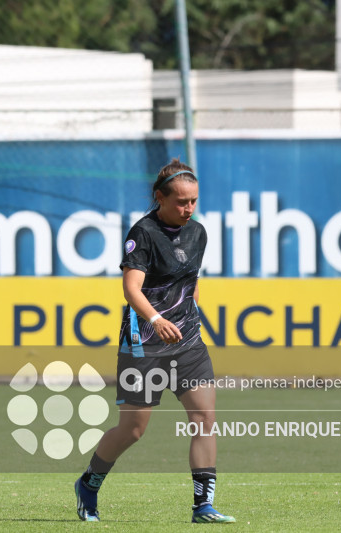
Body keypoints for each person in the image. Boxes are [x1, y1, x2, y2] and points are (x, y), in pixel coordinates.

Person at [74, 159, 235, 523]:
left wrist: (186, 316)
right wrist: (157, 318)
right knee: (133, 430)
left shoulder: (199, 233)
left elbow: (188, 284)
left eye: (193, 200)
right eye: (181, 201)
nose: (188, 208)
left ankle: (202, 506)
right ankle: (89, 483)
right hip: (143, 343)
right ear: (159, 198)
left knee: (204, 419)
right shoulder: (143, 233)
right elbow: (131, 288)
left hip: (187, 341)